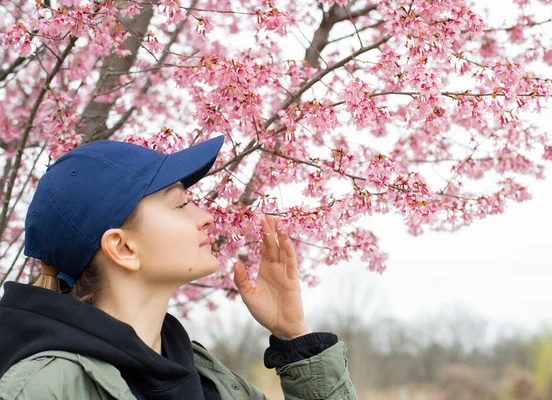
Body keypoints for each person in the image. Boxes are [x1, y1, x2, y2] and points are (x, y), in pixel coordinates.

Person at [0, 135, 357, 399]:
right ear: (123, 248)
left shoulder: (214, 383)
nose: (206, 217)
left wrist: (294, 334)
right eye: (181, 205)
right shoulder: (44, 389)